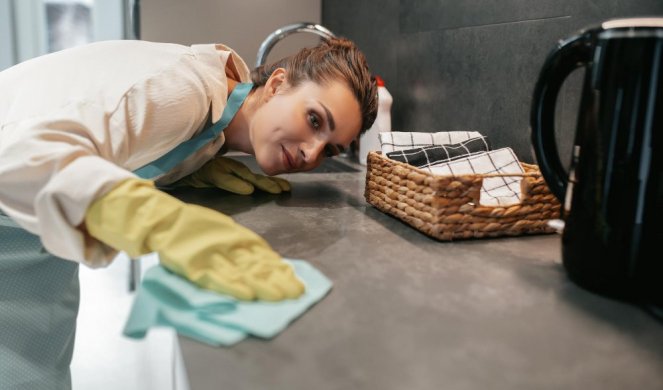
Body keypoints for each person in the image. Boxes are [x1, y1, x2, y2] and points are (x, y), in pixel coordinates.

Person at [0, 37, 377, 389]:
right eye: (314, 120)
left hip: (28, 229)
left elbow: (126, 142)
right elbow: (19, 154)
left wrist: (184, 170)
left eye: (329, 150)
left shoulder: (214, 122)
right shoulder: (185, 89)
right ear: (277, 84)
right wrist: (159, 221)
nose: (312, 153)